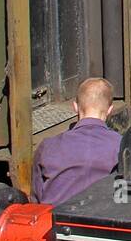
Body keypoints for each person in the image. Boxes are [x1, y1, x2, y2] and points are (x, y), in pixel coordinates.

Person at [31, 77, 123, 205]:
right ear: (109, 110)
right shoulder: (120, 145)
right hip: (99, 219)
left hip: (54, 220)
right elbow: (122, 197)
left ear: (75, 107)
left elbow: (36, 196)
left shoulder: (48, 145)